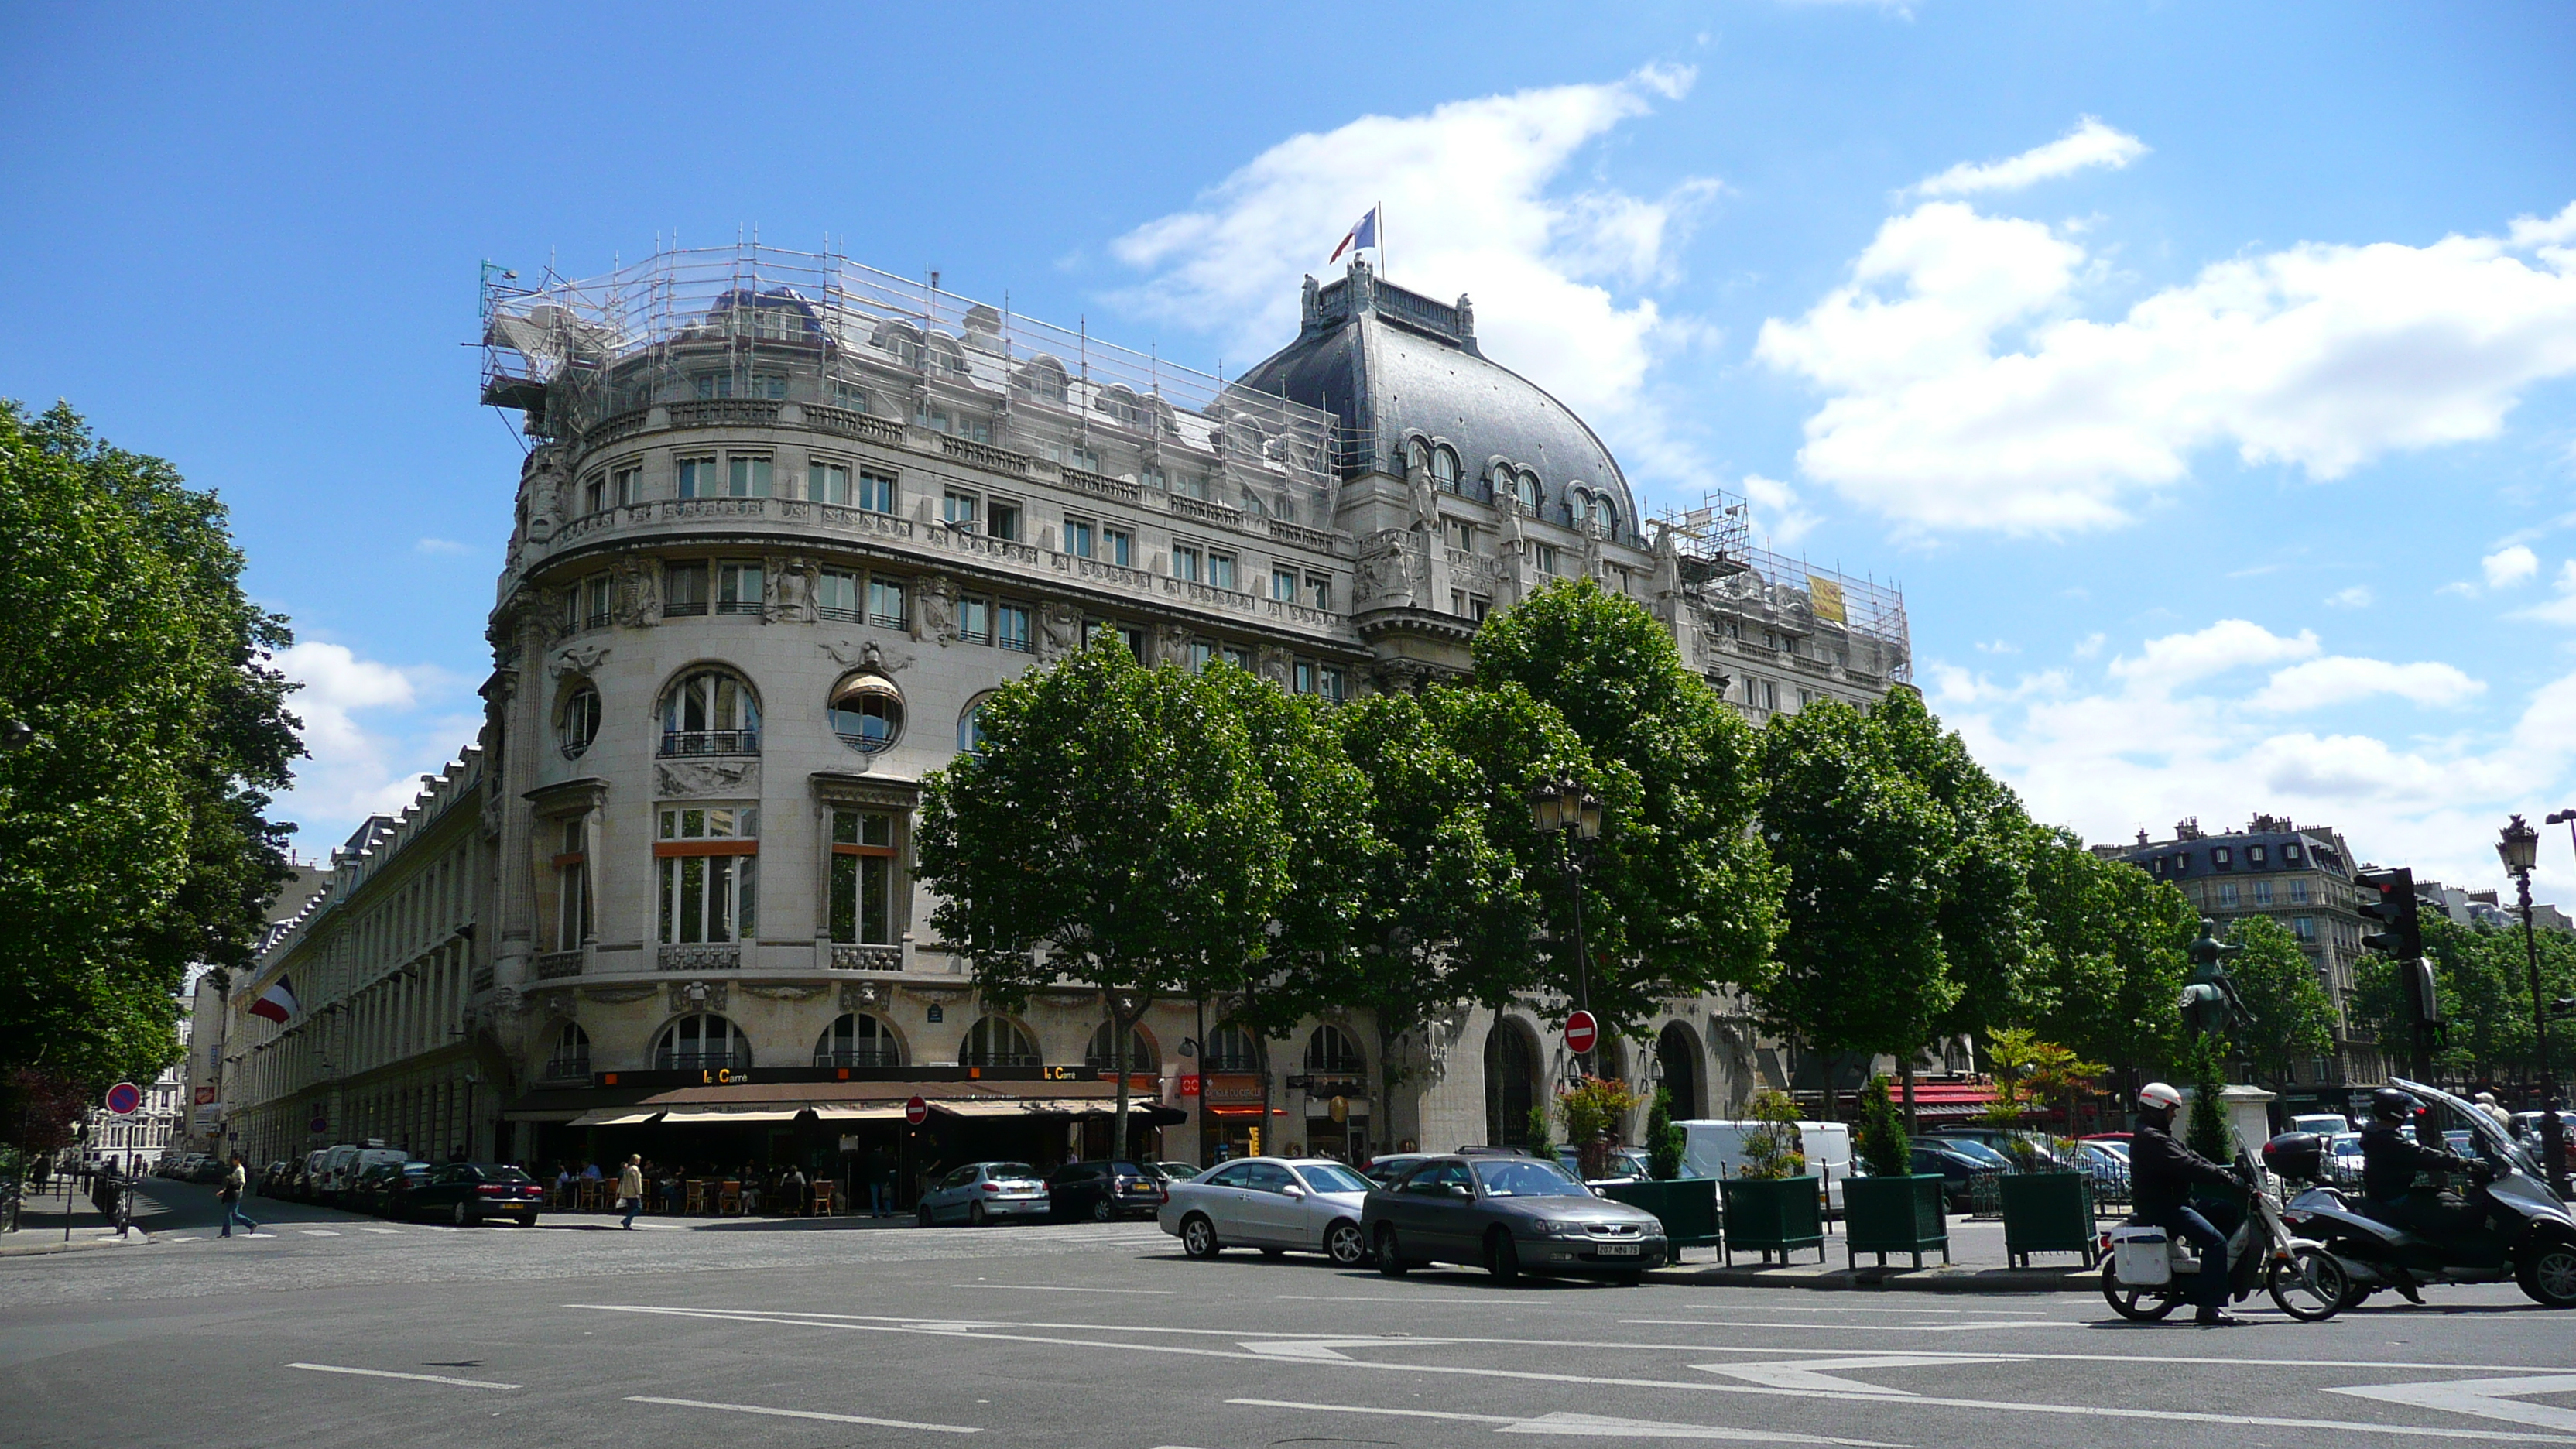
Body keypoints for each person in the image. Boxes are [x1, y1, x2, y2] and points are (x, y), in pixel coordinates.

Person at [2127, 1081, 2249, 1327]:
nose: (2173, 1115)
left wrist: (2226, 1172)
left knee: (2227, 1212)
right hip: (2163, 1207)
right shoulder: (2151, 1139)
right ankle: (2208, 1308)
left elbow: (2191, 1156)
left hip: (2178, 1201)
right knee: (2215, 1242)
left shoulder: (2157, 1136)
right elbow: (2186, 1166)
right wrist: (2224, 1178)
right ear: (2159, 1107)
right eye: (2171, 1110)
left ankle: (2212, 1274)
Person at [2358, 1087, 2484, 1261]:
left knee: (2445, 1196)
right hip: (2395, 1196)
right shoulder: (2385, 1138)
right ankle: (2451, 1256)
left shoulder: (2378, 1133)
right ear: (2394, 1111)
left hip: (2393, 1191)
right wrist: (2461, 1162)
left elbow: (2416, 1155)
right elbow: (2418, 1155)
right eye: (2403, 1109)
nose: (2406, 1114)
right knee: (2456, 1210)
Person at [218, 1153, 260, 1239]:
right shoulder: (237, 1169)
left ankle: (226, 1233)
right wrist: (224, 1190)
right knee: (234, 1214)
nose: (232, 1161)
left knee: (228, 1213)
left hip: (235, 1193)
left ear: (237, 1160)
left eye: (233, 1159)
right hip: (234, 1192)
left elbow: (242, 1182)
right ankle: (251, 1224)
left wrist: (232, 1181)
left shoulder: (240, 1170)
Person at [616, 1154, 645, 1231]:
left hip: (626, 1191)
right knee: (638, 1207)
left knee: (631, 1207)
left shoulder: (628, 1169)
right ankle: (626, 1220)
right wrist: (639, 1192)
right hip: (633, 1192)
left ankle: (628, 1223)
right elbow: (637, 1182)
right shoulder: (635, 1169)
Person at [866, 1145, 895, 1215]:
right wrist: (888, 1179)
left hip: (873, 1179)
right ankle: (888, 1211)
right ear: (881, 1148)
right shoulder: (884, 1157)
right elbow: (887, 1168)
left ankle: (875, 1212)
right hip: (883, 1179)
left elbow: (868, 1168)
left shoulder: (870, 1157)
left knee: (874, 1197)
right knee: (885, 1196)